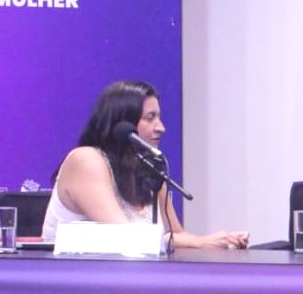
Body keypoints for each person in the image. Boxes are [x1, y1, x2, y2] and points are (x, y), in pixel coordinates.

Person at [43, 80, 249, 249]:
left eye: (159, 118)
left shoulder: (148, 167)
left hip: (130, 278)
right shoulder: (86, 160)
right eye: (150, 118)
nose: (161, 128)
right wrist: (200, 242)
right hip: (76, 280)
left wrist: (219, 241)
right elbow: (124, 237)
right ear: (122, 123)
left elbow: (175, 235)